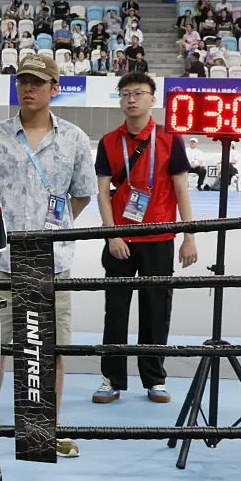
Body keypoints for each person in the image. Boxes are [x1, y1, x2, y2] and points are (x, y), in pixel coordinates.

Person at [0, 55, 97, 459]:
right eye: (23, 81)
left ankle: (48, 428)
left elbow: (81, 193)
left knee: (52, 347)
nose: (28, 88)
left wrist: (53, 231)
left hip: (52, 261)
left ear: (54, 88)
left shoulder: (76, 138)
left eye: (38, 82)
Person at [93, 73, 197, 404]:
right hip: (120, 240)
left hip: (159, 237)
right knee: (116, 311)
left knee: (156, 310)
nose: (131, 99)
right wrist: (113, 236)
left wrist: (189, 236)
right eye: (125, 94)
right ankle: (112, 378)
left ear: (152, 99)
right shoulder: (109, 141)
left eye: (139, 93)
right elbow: (102, 193)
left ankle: (154, 378)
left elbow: (181, 189)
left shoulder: (170, 138)